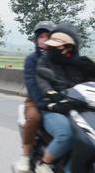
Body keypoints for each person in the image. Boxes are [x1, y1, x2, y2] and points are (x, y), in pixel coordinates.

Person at [35, 23, 95, 173]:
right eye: (52, 45)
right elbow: (42, 82)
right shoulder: (45, 61)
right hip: (55, 108)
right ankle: (44, 164)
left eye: (58, 46)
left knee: (86, 141)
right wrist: (51, 93)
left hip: (79, 108)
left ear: (69, 48)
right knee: (66, 134)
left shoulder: (83, 64)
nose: (52, 49)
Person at [15, 21, 55, 173]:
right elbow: (31, 84)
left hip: (55, 100)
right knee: (34, 118)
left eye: (47, 36)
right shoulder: (32, 59)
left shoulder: (56, 58)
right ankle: (25, 155)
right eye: (41, 36)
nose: (44, 39)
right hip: (35, 101)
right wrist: (42, 102)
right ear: (37, 39)